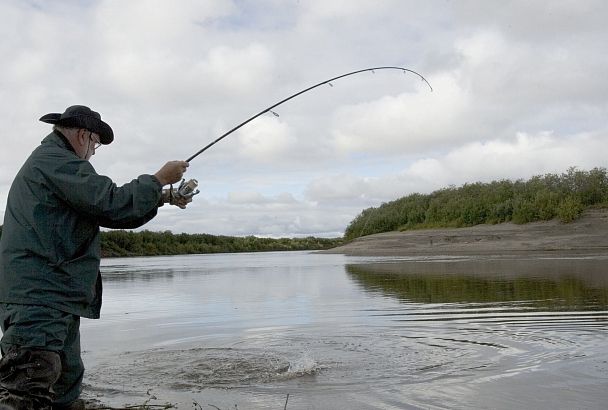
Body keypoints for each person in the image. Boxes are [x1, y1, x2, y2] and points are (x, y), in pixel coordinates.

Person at [0, 105, 193, 409]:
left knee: (66, 386)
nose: (93, 151)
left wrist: (163, 196)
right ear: (82, 135)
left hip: (52, 297)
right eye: (95, 144)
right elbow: (111, 203)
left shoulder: (54, 163)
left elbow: (109, 210)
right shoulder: (56, 162)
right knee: (27, 392)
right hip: (38, 300)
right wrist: (158, 180)